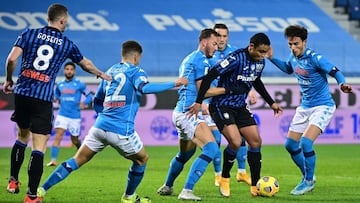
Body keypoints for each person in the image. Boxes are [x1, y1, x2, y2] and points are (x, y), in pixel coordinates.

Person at [37, 40, 188, 203]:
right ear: (136, 57)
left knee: (76, 160)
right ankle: (129, 197)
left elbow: (97, 101)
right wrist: (175, 83)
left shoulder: (110, 71)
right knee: (142, 159)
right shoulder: (136, 71)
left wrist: (105, 117)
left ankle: (41, 190)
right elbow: (144, 88)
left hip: (100, 127)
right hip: (121, 130)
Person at [3, 3, 111, 203]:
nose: (66, 24)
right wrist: (100, 73)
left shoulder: (29, 33)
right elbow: (85, 63)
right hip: (42, 97)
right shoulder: (66, 43)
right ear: (62, 21)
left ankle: (13, 180)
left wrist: (9, 79)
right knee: (39, 146)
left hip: (23, 93)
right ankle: (32, 196)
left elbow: (11, 59)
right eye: (66, 21)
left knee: (21, 136)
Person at [188, 32, 283, 197]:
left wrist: (271, 102)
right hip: (221, 105)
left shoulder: (260, 63)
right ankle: (225, 177)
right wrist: (199, 101)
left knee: (255, 141)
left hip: (240, 106)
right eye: (261, 52)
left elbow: (256, 81)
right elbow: (211, 75)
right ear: (251, 46)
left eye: (265, 53)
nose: (263, 56)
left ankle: (255, 186)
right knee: (236, 142)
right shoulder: (235, 58)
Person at [266, 24, 352, 195]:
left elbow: (335, 71)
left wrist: (342, 83)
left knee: (305, 142)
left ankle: (308, 181)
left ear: (304, 42)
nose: (293, 47)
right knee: (290, 145)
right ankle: (307, 175)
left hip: (323, 106)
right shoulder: (292, 56)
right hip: (305, 107)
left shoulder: (315, 58)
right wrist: (271, 58)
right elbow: (288, 68)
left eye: (296, 44)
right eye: (290, 44)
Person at [157, 28, 222, 201]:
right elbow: (204, 91)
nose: (216, 48)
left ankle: (168, 186)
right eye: (214, 44)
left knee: (184, 155)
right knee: (212, 147)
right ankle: (187, 190)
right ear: (204, 42)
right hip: (189, 113)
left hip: (181, 112)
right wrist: (228, 90)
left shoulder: (190, 58)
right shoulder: (200, 59)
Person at [207, 23, 253, 187]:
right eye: (218, 35)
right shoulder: (208, 54)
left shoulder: (235, 53)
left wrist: (251, 91)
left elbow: (247, 73)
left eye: (224, 36)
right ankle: (218, 175)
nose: (221, 39)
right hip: (213, 101)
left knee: (240, 138)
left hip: (232, 101)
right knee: (217, 139)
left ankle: (241, 172)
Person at [47, 62, 93, 167]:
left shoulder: (79, 84)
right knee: (58, 135)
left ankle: (79, 150)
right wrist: (54, 98)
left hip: (75, 116)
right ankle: (53, 160)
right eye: (67, 69)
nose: (69, 71)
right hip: (62, 114)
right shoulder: (60, 85)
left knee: (74, 139)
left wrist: (84, 103)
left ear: (74, 71)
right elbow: (56, 96)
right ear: (64, 71)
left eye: (71, 69)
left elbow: (90, 96)